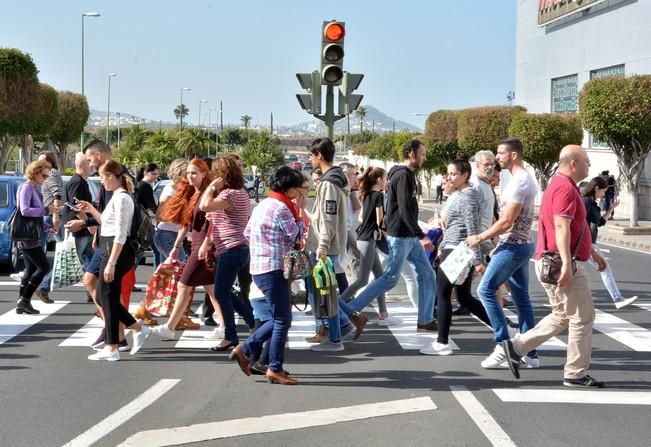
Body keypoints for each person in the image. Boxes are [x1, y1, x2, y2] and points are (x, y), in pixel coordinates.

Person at [502, 145, 607, 388]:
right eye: (586, 162)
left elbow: (573, 229)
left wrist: (591, 253)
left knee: (563, 315)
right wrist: (569, 264)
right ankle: (575, 373)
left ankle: (517, 347)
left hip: (553, 261)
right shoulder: (564, 189)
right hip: (560, 263)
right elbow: (561, 227)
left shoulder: (562, 186)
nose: (589, 166)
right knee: (582, 317)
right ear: (573, 163)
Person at [340, 139, 437, 338]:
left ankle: (425, 320)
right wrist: (421, 235)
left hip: (407, 235)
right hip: (402, 236)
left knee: (427, 274)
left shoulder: (402, 175)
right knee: (390, 278)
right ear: (411, 153)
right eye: (422, 154)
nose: (425, 158)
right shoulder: (403, 175)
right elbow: (403, 208)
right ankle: (349, 312)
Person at [467, 138, 540, 369]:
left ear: (514, 155)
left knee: (485, 289)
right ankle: (530, 353)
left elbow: (507, 221)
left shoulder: (521, 181)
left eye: (500, 153)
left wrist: (479, 238)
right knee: (521, 298)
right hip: (520, 244)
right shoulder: (520, 179)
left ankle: (503, 344)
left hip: (514, 245)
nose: (497, 158)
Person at [230, 166, 307, 385]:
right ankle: (268, 364)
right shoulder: (282, 208)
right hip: (274, 268)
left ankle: (256, 356)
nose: (299, 193)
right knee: (282, 319)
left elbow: (247, 233)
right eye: (297, 188)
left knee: (278, 318)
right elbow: (296, 235)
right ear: (289, 188)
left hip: (259, 267)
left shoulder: (263, 205)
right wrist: (300, 212)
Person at [78, 160, 152, 361]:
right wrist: (91, 211)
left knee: (107, 295)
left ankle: (113, 347)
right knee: (105, 296)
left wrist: (111, 262)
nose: (101, 182)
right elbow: (107, 223)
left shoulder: (122, 199)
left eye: (102, 177)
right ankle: (136, 329)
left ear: (111, 176)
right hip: (112, 249)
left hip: (117, 251)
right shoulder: (117, 197)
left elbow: (121, 233)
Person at [420, 156, 491, 355]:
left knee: (442, 293)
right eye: (448, 174)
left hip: (459, 250)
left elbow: (472, 229)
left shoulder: (468, 195)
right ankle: (503, 326)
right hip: (453, 248)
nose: (449, 177)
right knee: (464, 297)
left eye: (453, 174)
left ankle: (442, 343)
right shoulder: (459, 193)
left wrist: (477, 260)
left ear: (465, 175)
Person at [151, 158, 220, 337]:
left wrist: (206, 244)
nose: (189, 176)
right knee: (211, 289)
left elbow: (215, 222)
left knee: (184, 285)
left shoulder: (207, 193)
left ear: (204, 173)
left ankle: (170, 327)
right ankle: (226, 327)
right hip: (196, 244)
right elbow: (185, 223)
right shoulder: (194, 193)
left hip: (203, 247)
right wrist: (177, 245)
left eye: (194, 173)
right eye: (188, 173)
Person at [305, 138, 359, 353]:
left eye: (311, 155)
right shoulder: (338, 180)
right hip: (332, 244)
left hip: (326, 246)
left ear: (319, 155)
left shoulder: (328, 184)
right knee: (328, 292)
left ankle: (336, 338)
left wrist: (323, 246)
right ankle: (342, 328)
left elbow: (328, 217)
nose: (310, 159)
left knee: (327, 294)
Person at [199, 155, 255, 351]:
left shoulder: (228, 194)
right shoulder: (240, 193)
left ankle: (231, 335)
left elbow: (203, 205)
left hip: (231, 249)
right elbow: (219, 214)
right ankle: (251, 321)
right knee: (224, 291)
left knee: (221, 292)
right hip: (237, 249)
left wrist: (210, 188)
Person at [338, 167, 394, 324]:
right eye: (385, 178)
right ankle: (336, 304)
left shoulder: (367, 195)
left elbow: (362, 217)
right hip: (368, 239)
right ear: (379, 180)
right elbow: (379, 220)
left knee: (380, 277)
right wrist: (384, 231)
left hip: (365, 238)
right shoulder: (378, 196)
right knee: (362, 280)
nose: (387, 181)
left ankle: (383, 313)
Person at [582, 176, 638, 309]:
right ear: (596, 188)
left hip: (588, 242)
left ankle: (617, 299)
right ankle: (617, 299)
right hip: (586, 243)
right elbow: (579, 223)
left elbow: (600, 222)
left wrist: (611, 208)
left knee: (597, 270)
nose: (604, 194)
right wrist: (587, 245)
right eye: (603, 191)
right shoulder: (586, 202)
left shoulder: (592, 203)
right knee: (604, 269)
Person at [15, 160, 58, 314]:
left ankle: (22, 303)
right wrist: (46, 210)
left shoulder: (33, 188)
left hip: (30, 234)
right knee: (44, 267)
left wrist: (47, 227)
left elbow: (34, 218)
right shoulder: (26, 187)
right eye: (44, 175)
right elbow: (25, 211)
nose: (45, 179)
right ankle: (24, 300)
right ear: (36, 172)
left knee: (30, 268)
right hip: (27, 236)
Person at [34, 151, 65, 303]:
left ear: (51, 163)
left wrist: (55, 215)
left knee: (63, 251)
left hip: (50, 216)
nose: (40, 165)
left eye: (43, 162)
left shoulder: (52, 173)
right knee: (38, 251)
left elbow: (57, 194)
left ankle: (40, 285)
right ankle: (37, 284)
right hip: (47, 214)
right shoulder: (49, 173)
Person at [63, 152, 95, 302]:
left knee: (89, 259)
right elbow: (76, 206)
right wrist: (86, 223)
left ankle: (92, 291)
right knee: (75, 262)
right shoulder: (77, 182)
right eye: (89, 163)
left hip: (83, 226)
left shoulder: (81, 181)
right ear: (83, 166)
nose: (92, 166)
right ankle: (42, 286)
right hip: (78, 227)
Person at [135, 163, 160, 267]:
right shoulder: (145, 186)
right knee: (156, 250)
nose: (155, 176)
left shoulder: (140, 184)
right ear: (145, 173)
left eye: (157, 174)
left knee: (141, 251)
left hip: (141, 222)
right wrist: (162, 217)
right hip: (144, 224)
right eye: (153, 173)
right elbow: (152, 206)